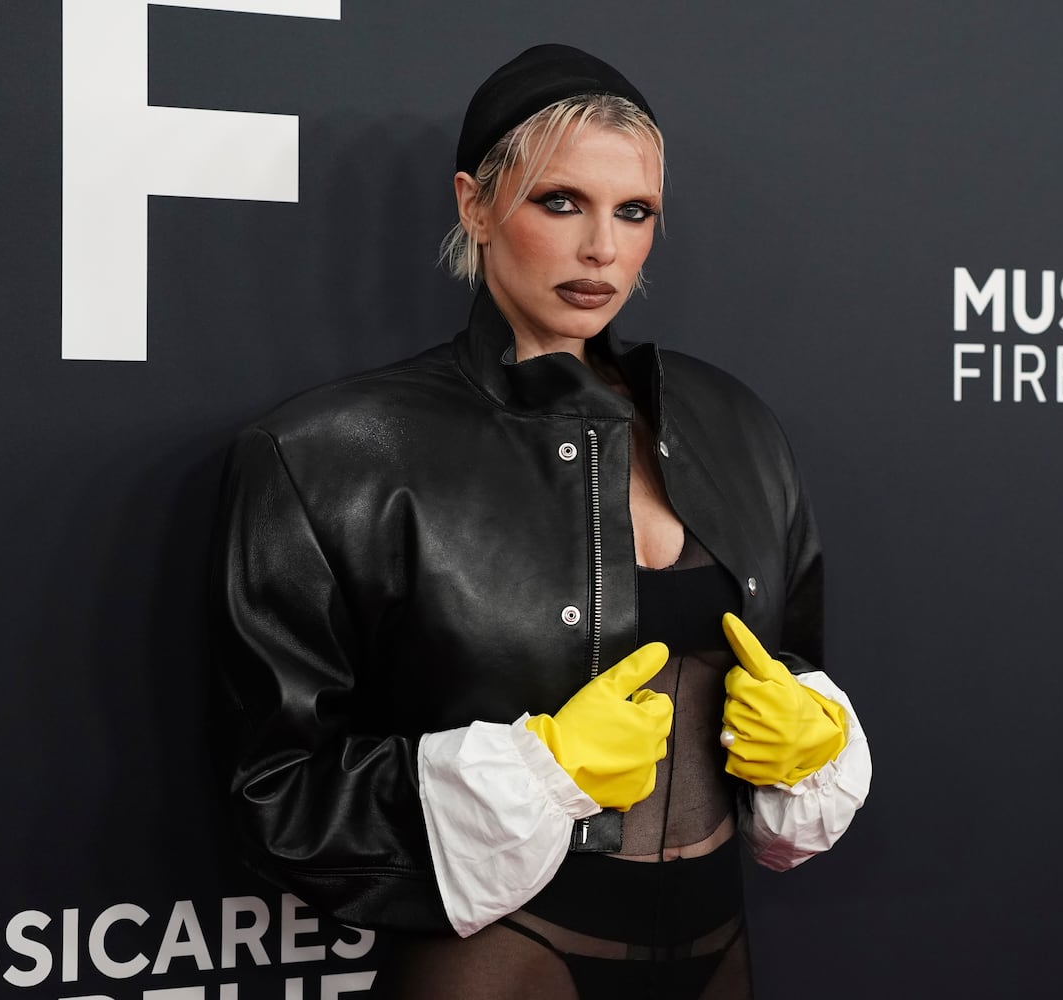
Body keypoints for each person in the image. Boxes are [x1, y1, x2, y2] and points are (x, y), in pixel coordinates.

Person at [209, 43, 872, 999]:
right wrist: (540, 770)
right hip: (502, 957)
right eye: (560, 202)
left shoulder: (732, 424)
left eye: (632, 212)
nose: (602, 248)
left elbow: (795, 660)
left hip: (720, 947)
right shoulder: (333, 451)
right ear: (476, 204)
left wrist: (811, 738)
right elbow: (275, 794)